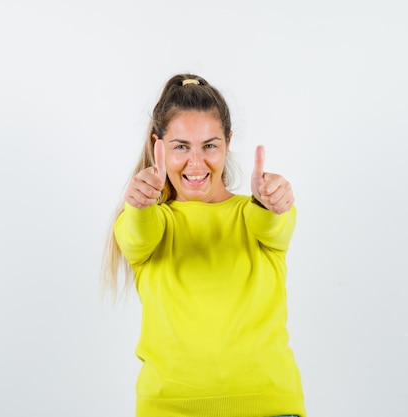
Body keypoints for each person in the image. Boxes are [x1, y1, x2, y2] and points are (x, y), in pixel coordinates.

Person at [102, 73, 306, 417]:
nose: (196, 163)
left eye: (209, 145)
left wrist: (275, 200)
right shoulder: (150, 222)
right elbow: (138, 234)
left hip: (270, 407)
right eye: (181, 147)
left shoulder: (257, 213)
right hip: (168, 410)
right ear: (159, 147)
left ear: (228, 141)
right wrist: (138, 204)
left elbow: (273, 223)